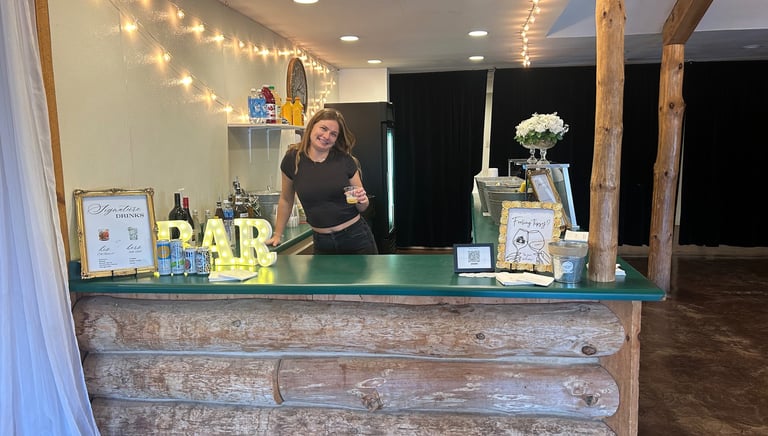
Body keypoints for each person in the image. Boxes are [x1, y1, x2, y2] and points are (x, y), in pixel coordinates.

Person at [266, 108, 378, 254]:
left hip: (356, 239)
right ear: (312, 126)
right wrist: (277, 235)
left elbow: (363, 206)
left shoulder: (344, 160)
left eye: (333, 134)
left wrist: (362, 200)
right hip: (322, 243)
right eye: (323, 128)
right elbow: (286, 200)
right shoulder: (292, 159)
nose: (326, 136)